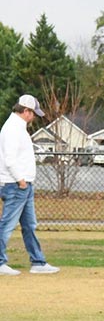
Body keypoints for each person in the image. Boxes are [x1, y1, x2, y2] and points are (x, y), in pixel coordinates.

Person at [0, 94, 59, 275]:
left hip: (23, 185)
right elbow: (9, 159)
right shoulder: (12, 129)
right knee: (7, 225)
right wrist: (21, 181)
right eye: (33, 113)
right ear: (25, 111)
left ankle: (38, 262)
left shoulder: (18, 128)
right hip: (16, 185)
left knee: (29, 225)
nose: (34, 117)